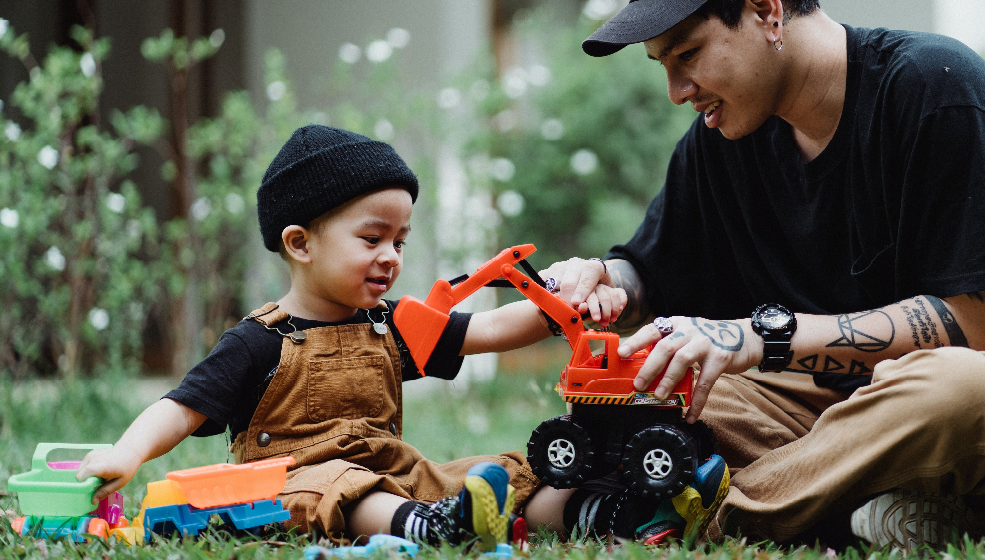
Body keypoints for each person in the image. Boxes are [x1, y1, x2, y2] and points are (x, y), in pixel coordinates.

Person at [544, 0, 985, 550]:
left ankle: (649, 516)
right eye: (663, 66)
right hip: (840, 416)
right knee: (650, 384)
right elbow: (652, 269)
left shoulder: (938, 88)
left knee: (950, 388)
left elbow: (977, 332)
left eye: (687, 54)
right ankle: (475, 495)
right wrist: (608, 280)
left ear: (765, 10)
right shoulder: (724, 139)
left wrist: (762, 338)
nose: (678, 91)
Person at [74, 125, 628, 548]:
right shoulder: (257, 342)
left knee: (496, 474)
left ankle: (604, 510)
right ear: (300, 243)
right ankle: (430, 529)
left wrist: (561, 306)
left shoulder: (390, 324)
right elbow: (182, 407)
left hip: (395, 473)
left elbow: (484, 328)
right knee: (344, 488)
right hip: (296, 485)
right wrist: (126, 453)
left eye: (401, 242)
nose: (390, 256)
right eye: (372, 238)